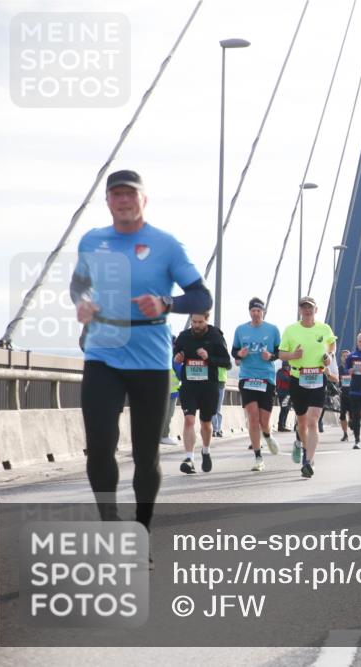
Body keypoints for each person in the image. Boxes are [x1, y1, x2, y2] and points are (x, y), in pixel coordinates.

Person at [71, 169, 212, 529]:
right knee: (100, 445)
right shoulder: (92, 241)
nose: (123, 201)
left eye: (130, 194)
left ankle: (142, 527)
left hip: (149, 358)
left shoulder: (165, 245)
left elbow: (201, 296)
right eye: (116, 195)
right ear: (107, 202)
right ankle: (110, 523)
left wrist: (166, 303)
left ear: (143, 200)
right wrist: (83, 302)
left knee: (146, 454)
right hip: (103, 352)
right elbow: (79, 286)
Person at [279, 296, 336, 479]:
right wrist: (293, 354)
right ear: (300, 310)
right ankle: (300, 443)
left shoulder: (324, 328)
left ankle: (308, 461)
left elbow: (331, 344)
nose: (307, 310)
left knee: (313, 421)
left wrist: (330, 355)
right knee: (301, 422)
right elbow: (280, 353)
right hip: (298, 378)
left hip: (318, 377)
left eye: (310, 307)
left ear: (316, 310)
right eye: (304, 307)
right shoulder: (291, 330)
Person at [174, 312, 232, 473]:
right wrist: (178, 357)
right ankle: (189, 458)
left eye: (200, 322)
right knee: (189, 421)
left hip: (209, 387)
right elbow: (177, 354)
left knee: (206, 423)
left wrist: (209, 358)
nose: (197, 325)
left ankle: (205, 450)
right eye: (194, 322)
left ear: (207, 320)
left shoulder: (215, 336)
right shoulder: (184, 336)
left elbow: (227, 363)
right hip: (189, 385)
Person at [232, 297, 281, 472]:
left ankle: (267, 435)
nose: (255, 313)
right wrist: (240, 354)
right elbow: (234, 352)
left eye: (258, 310)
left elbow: (279, 352)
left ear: (263, 312)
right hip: (247, 377)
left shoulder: (273, 330)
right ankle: (258, 457)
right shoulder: (240, 329)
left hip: (266, 378)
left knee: (264, 421)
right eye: (253, 310)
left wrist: (271, 357)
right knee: (253, 418)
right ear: (249, 312)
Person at [160, 341, 181, 446]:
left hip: (169, 391)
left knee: (165, 415)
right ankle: (164, 436)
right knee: (167, 415)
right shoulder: (174, 358)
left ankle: (161, 436)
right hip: (169, 392)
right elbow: (181, 373)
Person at [337, 350, 353, 442]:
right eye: (344, 356)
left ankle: (352, 423)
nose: (346, 357)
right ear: (341, 358)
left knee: (352, 416)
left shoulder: (354, 368)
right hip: (343, 395)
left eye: (347, 356)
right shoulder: (339, 369)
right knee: (342, 415)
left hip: (353, 395)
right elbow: (336, 380)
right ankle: (345, 434)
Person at [275, 362, 292, 432]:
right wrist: (293, 378)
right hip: (283, 393)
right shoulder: (280, 372)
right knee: (284, 409)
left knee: (287, 409)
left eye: (288, 366)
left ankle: (283, 425)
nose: (287, 367)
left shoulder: (289, 372)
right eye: (286, 366)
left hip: (288, 393)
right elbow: (285, 379)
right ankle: (280, 426)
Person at [212, 365, 227, 437]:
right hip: (211, 382)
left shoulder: (224, 355)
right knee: (213, 408)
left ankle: (218, 429)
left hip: (221, 383)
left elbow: (229, 366)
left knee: (218, 409)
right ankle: (215, 429)